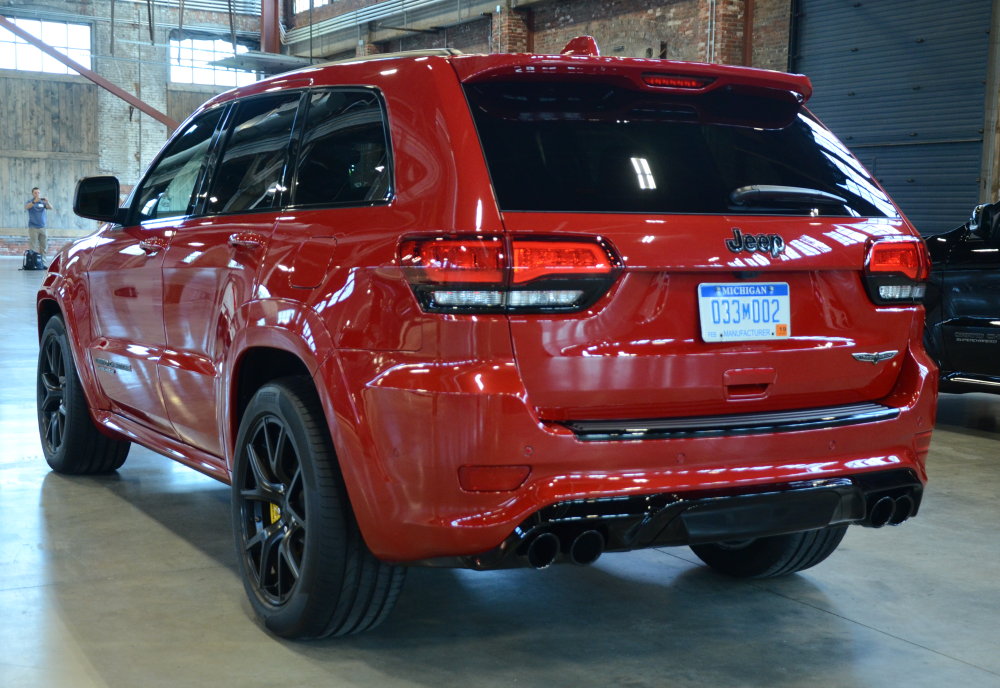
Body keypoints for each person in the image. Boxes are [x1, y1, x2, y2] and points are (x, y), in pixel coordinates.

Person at [24, 187, 53, 259]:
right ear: (32, 194)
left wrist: (47, 202)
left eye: (38, 193)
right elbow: (26, 207)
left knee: (44, 246)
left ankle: (42, 263)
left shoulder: (42, 202)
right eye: (35, 193)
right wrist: (34, 202)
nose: (37, 194)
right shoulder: (30, 201)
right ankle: (33, 263)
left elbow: (51, 207)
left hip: (43, 227)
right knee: (33, 246)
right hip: (33, 228)